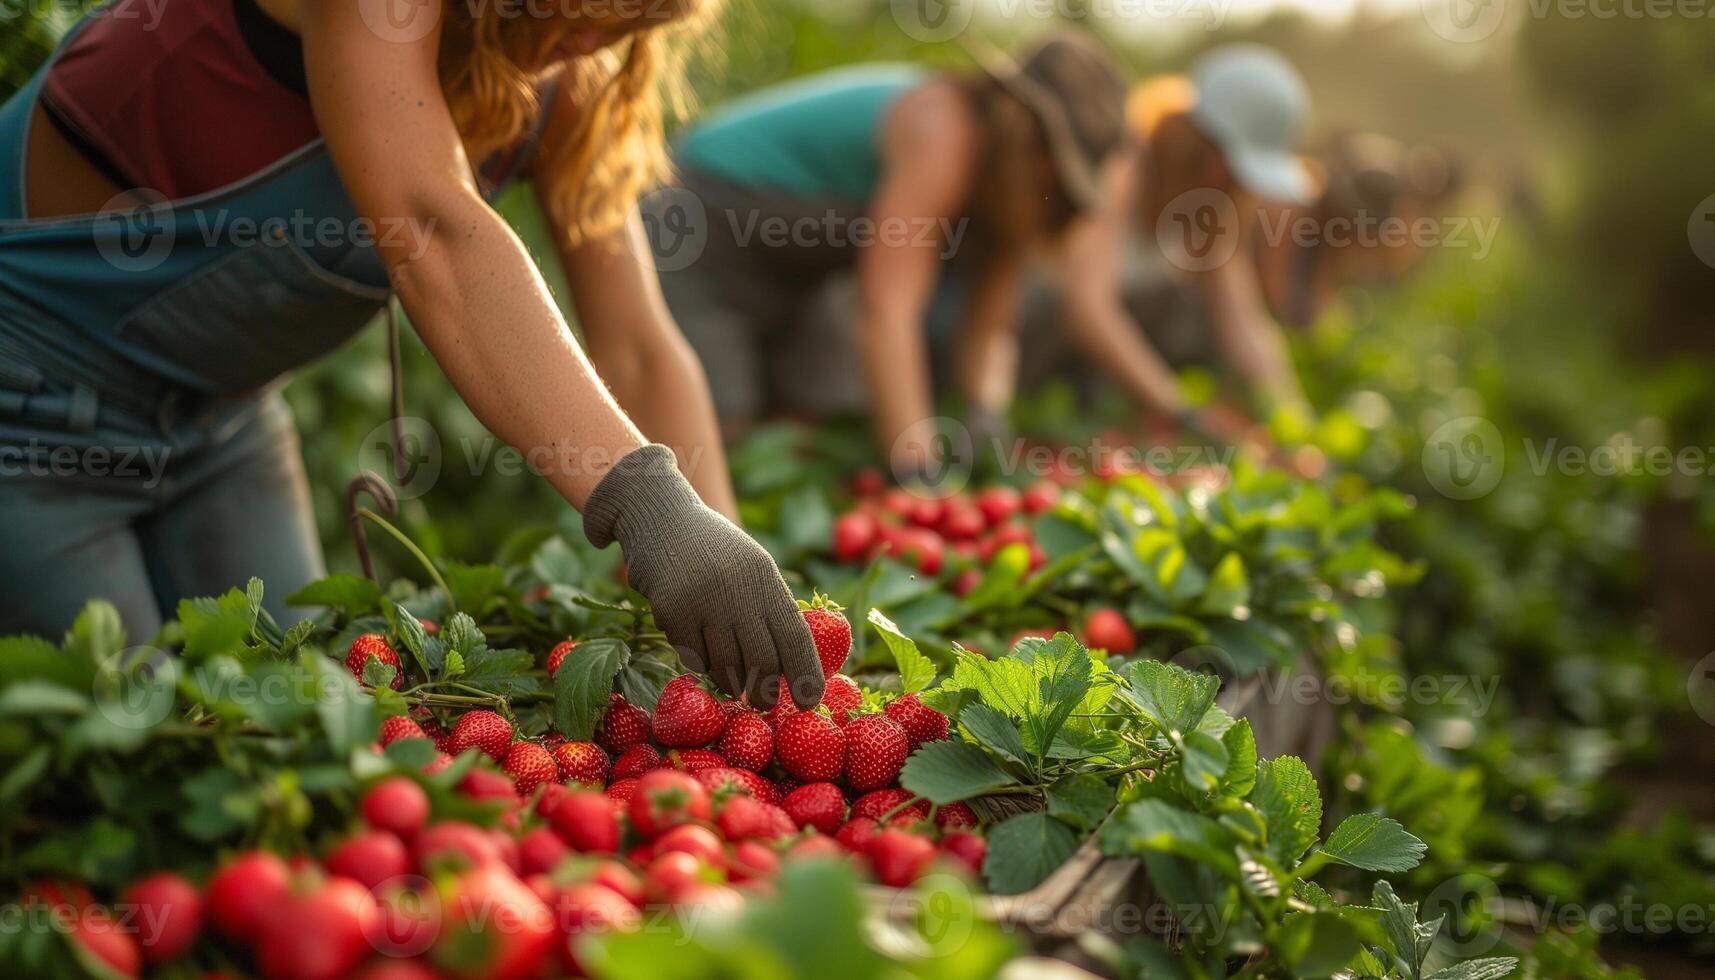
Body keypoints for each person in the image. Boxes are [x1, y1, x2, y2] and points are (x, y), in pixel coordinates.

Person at [0, 0, 823, 708]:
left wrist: (722, 572)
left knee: (284, 724)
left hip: (223, 423)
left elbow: (639, 347)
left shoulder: (565, 75)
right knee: (128, 753)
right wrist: (647, 505)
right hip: (27, 390)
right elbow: (434, 232)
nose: (601, 33)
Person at [643, 30, 1129, 481]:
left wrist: (984, 412)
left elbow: (990, 325)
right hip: (701, 217)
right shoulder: (943, 127)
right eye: (1055, 160)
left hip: (799, 268)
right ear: (1026, 126)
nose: (1051, 180)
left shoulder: (1009, 191)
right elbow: (887, 310)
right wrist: (916, 468)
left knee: (823, 416)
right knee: (717, 424)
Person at [1048, 44, 1320, 439]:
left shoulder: (1215, 205)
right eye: (1223, 162)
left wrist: (1289, 415)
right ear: (1196, 139)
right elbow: (1087, 309)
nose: (1228, 180)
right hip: (1039, 343)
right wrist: (1181, 411)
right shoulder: (1124, 171)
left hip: (1093, 377)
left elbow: (1242, 319)